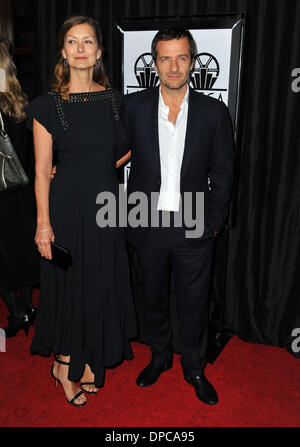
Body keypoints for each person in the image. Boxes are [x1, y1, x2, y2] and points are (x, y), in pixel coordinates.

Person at [26, 15, 136, 408]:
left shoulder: (113, 100)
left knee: (100, 282)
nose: (80, 49)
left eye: (87, 42)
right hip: (67, 208)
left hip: (106, 208)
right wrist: (43, 225)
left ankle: (88, 359)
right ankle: (64, 363)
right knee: (69, 287)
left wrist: (102, 170)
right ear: (63, 52)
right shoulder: (46, 105)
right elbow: (40, 170)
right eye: (72, 42)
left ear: (99, 52)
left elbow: (125, 150)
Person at [124, 28, 234, 405]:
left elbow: (223, 173)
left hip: (194, 224)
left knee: (193, 302)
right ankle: (158, 357)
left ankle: (195, 367)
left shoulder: (213, 112)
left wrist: (213, 221)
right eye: (166, 58)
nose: (174, 67)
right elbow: (109, 154)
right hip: (147, 224)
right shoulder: (133, 107)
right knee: (153, 298)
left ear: (192, 60)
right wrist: (67, 167)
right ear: (154, 63)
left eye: (182, 57)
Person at [0, 45, 39, 337]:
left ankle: (18, 312)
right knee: (22, 251)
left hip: (10, 192)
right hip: (23, 192)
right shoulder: (20, 102)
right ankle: (27, 309)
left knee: (8, 256)